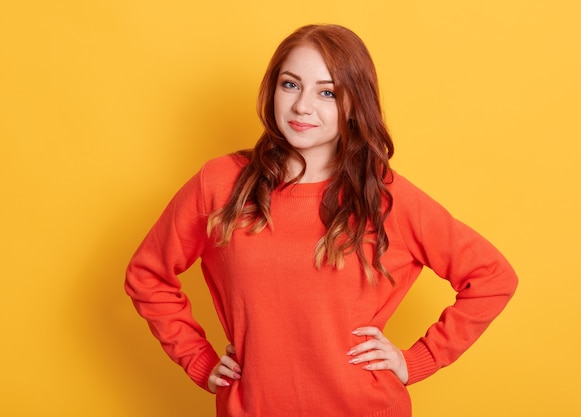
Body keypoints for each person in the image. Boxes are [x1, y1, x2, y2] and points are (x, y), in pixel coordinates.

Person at [125, 24, 518, 417]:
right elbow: (148, 274)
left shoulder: (385, 197)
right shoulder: (220, 183)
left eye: (327, 92)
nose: (302, 107)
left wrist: (417, 359)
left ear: (354, 104)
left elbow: (491, 277)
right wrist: (198, 360)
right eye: (290, 84)